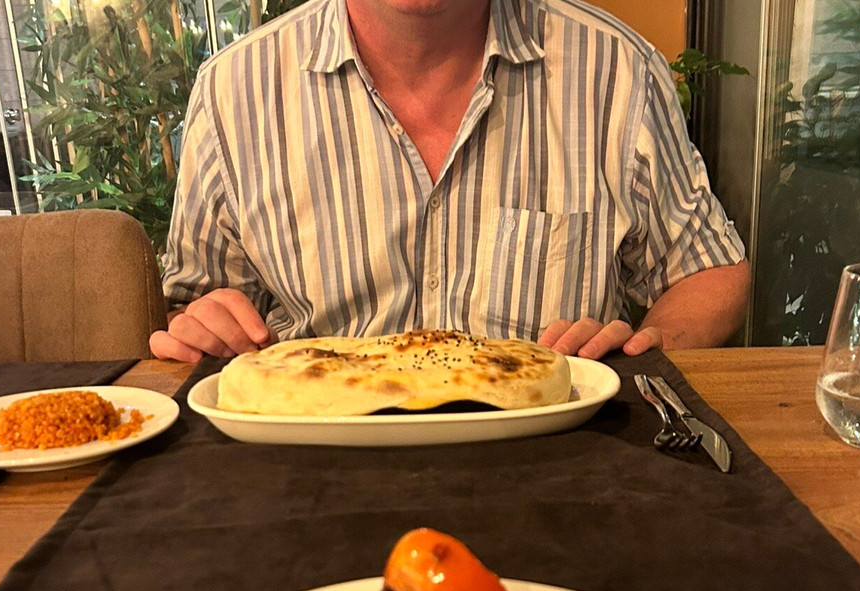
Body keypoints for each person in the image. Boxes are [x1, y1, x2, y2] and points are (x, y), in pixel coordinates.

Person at [149, 0, 750, 363]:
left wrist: (648, 350)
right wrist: (201, 325)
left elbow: (709, 270)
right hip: (314, 461)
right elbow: (196, 302)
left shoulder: (614, 71)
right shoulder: (234, 92)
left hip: (557, 464)